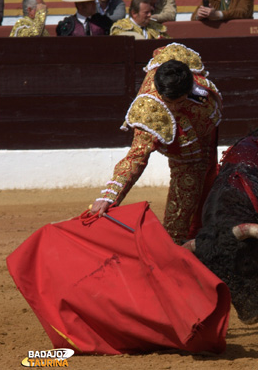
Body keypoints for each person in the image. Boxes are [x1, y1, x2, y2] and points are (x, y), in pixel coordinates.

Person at [90, 42, 223, 245]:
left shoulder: (190, 79)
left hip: (204, 140)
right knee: (178, 226)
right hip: (187, 158)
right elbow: (136, 158)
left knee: (209, 194)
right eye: (171, 102)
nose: (175, 107)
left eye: (180, 101)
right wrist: (109, 196)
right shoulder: (149, 112)